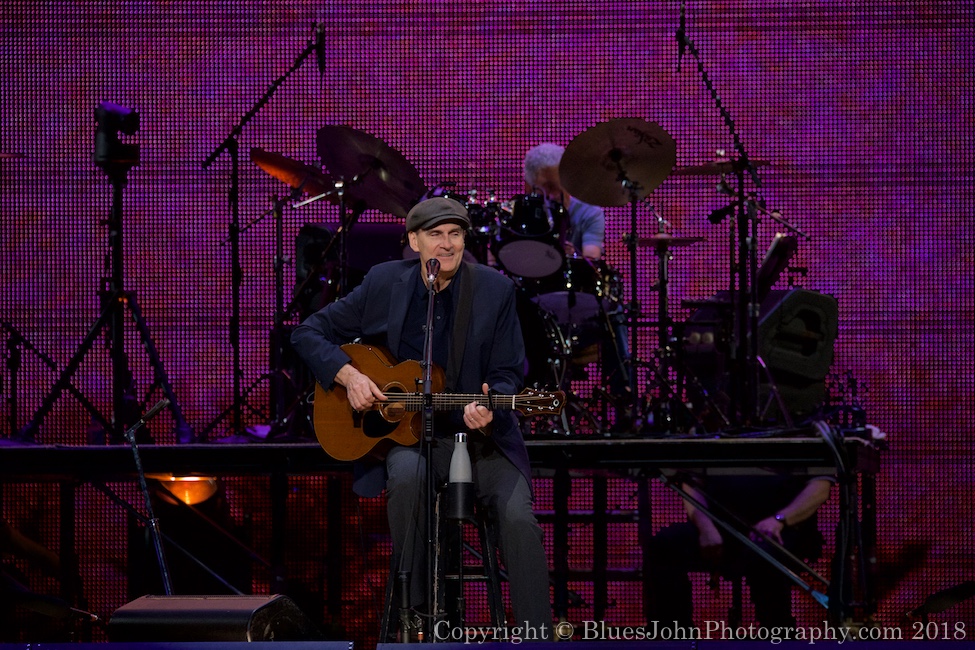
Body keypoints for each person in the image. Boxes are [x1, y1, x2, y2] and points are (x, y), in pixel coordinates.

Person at [290, 196, 552, 638]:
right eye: (435, 235)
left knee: (518, 517)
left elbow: (508, 373)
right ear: (414, 241)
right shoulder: (383, 282)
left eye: (455, 234)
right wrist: (348, 374)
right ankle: (414, 622)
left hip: (482, 442)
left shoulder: (494, 290)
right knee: (407, 480)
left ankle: (535, 636)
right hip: (410, 441)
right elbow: (307, 332)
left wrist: (490, 403)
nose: (446, 245)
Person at [521, 143, 631, 411]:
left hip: (577, 305)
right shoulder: (524, 212)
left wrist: (570, 252)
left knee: (614, 315)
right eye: (546, 188)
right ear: (531, 186)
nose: (554, 194)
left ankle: (624, 402)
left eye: (558, 185)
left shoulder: (589, 211)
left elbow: (592, 255)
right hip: (534, 306)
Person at [645, 473, 833, 627]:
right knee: (664, 546)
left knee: (764, 554)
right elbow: (692, 482)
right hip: (721, 526)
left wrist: (779, 520)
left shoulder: (805, 429)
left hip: (784, 529)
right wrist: (706, 526)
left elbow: (820, 486)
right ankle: (674, 635)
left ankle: (778, 635)